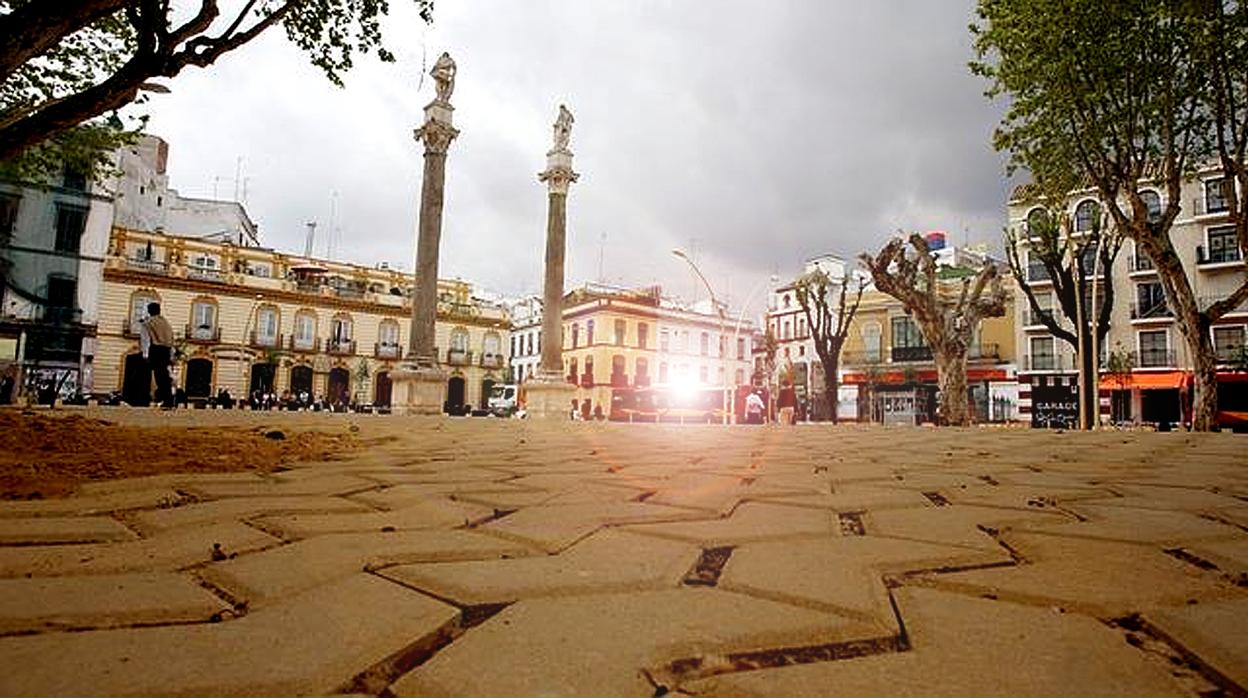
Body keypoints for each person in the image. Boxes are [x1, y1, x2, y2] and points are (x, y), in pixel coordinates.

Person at [140, 302, 175, 409]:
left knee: (158, 376)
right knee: (164, 375)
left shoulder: (148, 323)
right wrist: (171, 355)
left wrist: (145, 354)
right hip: (166, 350)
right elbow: (172, 341)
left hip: (155, 349)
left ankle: (159, 398)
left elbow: (145, 340)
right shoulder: (166, 323)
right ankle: (167, 399)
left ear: (149, 311)